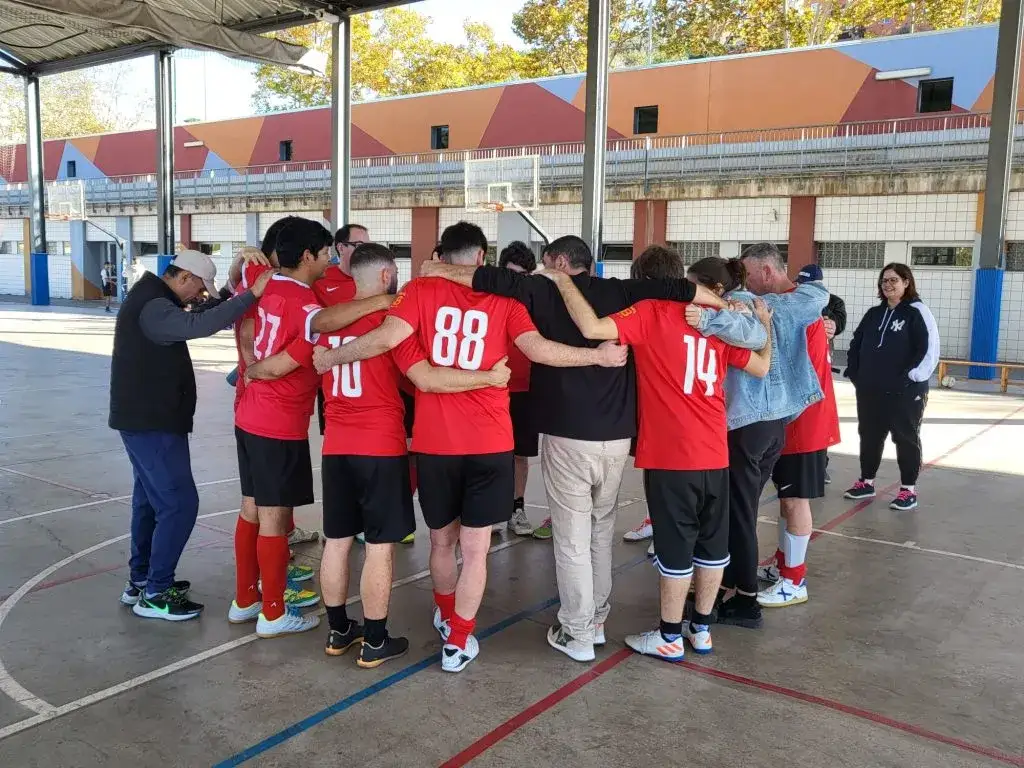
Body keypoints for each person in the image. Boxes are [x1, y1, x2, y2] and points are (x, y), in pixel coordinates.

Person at [313, 222, 628, 673]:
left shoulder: (418, 292)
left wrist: (330, 358)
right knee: (477, 551)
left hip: (436, 443)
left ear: (442, 255)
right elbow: (539, 349)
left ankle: (445, 613)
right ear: (481, 258)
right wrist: (594, 356)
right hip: (489, 443)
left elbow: (385, 341)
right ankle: (458, 641)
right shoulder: (506, 299)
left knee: (442, 544)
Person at [421, 239, 727, 663]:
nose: (541, 270)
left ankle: (578, 631)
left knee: (571, 540)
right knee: (599, 532)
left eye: (547, 263)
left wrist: (435, 270)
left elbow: (484, 276)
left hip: (568, 439)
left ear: (561, 263)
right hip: (616, 438)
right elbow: (682, 290)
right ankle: (596, 620)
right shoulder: (622, 291)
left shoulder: (543, 289)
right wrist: (728, 308)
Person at [550, 246, 772, 661]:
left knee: (674, 550)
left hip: (672, 454)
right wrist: (764, 326)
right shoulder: (719, 326)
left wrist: (563, 281)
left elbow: (593, 327)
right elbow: (761, 367)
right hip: (714, 453)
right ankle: (701, 630)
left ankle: (669, 635)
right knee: (711, 548)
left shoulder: (652, 312)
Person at [307, 243, 511, 667]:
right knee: (381, 546)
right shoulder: (392, 321)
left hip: (335, 446)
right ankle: (376, 639)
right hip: (379, 446)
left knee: (338, 542)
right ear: (386, 277)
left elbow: (313, 336)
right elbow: (420, 376)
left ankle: (339, 630)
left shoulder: (329, 324)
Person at [110, 249, 273, 620]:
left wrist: (235, 282)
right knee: (179, 504)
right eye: (197, 288)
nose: (199, 297)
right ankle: (156, 592)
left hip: (144, 420)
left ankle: (142, 580)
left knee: (150, 502)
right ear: (183, 278)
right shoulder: (153, 306)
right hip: (152, 423)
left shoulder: (155, 296)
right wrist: (252, 295)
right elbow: (197, 325)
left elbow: (204, 311)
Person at [686, 256, 830, 628]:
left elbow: (749, 334)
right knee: (741, 508)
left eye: (695, 287)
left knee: (738, 513)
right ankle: (730, 583)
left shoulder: (743, 310)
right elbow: (817, 295)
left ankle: (745, 598)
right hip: (774, 425)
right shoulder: (780, 302)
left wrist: (708, 316)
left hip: (748, 425)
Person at [229, 218, 333, 639]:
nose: (330, 259)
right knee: (274, 518)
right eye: (326, 252)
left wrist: (242, 257)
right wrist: (256, 369)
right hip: (279, 423)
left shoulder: (262, 279)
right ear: (307, 256)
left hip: (247, 415)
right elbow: (289, 362)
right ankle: (272, 611)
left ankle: (245, 598)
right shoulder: (311, 310)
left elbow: (240, 277)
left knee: (251, 507)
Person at [738, 246, 840, 609]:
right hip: (789, 416)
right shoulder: (799, 303)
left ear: (767, 272)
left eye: (748, 275)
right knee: (786, 498)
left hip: (804, 419)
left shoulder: (795, 307)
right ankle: (785, 566)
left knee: (796, 499)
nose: (746, 283)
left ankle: (795, 580)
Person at [843, 263, 939, 511]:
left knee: (905, 438)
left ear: (907, 282)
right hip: (870, 391)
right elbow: (856, 342)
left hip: (905, 392)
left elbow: (929, 349)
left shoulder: (917, 312)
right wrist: (855, 373)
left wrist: (911, 377)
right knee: (870, 436)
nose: (888, 285)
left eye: (894, 280)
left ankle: (908, 489)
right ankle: (866, 482)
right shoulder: (874, 314)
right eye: (884, 280)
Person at [498, 241, 540, 536]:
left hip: (525, 390)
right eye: (511, 274)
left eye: (522, 275)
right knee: (487, 452)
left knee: (519, 455)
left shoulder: (537, 301)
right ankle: (486, 512)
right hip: (489, 386)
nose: (516, 281)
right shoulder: (487, 298)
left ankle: (517, 508)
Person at [805, 265, 848, 485]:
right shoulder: (796, 299)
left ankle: (821, 465)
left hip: (820, 368)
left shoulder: (833, 302)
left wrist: (832, 324)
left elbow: (837, 323)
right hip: (801, 365)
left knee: (820, 418)